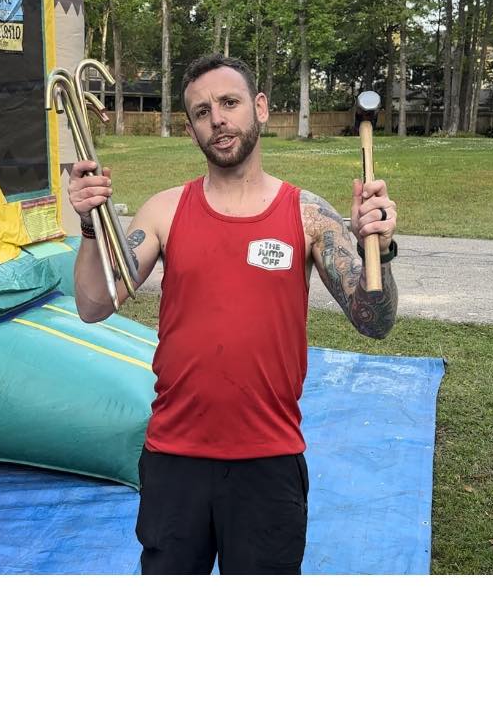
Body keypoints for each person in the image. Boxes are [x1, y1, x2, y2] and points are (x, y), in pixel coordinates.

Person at [68, 54, 398, 575]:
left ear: (260, 108)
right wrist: (90, 227)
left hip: (268, 461)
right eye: (202, 112)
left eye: (229, 102)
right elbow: (92, 304)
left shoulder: (307, 214)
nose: (217, 119)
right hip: (175, 458)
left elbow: (373, 321)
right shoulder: (165, 210)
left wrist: (378, 245)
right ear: (191, 129)